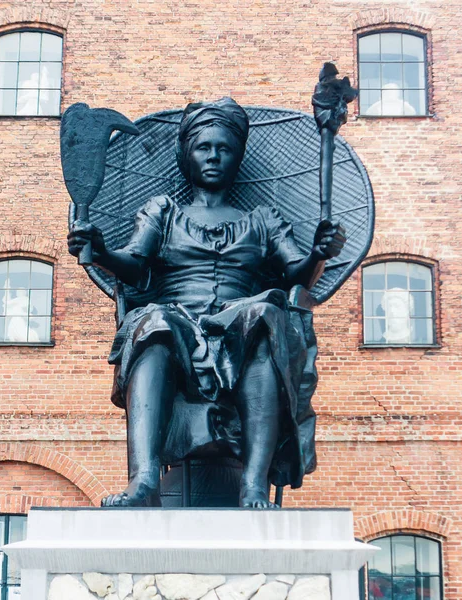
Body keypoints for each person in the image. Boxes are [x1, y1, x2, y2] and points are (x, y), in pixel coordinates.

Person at [68, 98, 346, 508]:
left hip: (242, 322)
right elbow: (133, 267)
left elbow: (296, 277)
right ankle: (144, 482)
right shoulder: (163, 212)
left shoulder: (263, 219)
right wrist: (103, 252)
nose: (214, 156)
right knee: (152, 323)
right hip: (178, 320)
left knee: (266, 316)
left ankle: (253, 485)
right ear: (187, 154)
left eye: (225, 148)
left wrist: (320, 254)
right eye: (204, 147)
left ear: (238, 157)